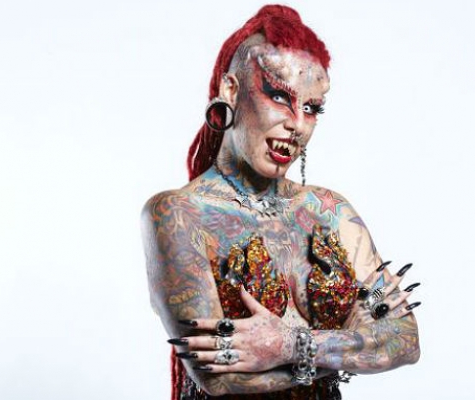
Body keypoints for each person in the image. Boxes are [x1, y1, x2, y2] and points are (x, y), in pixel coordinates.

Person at [141, 5, 421, 399]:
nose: (298, 125)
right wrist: (349, 344)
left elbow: (405, 341)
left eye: (312, 108)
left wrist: (290, 346)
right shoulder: (178, 214)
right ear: (231, 91)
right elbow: (219, 378)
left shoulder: (329, 210)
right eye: (279, 96)